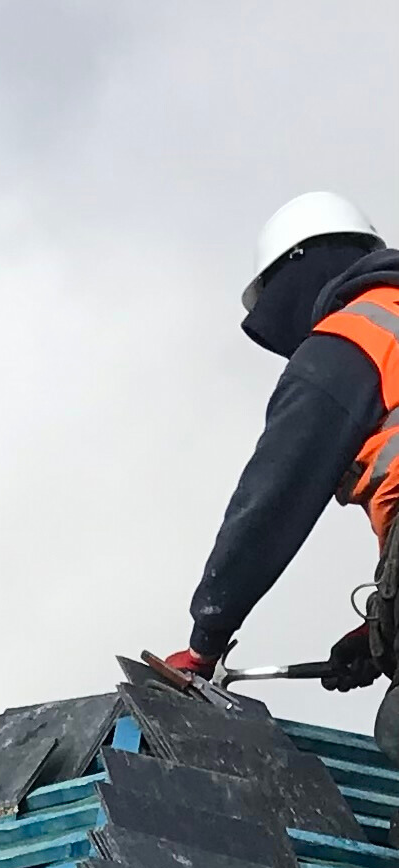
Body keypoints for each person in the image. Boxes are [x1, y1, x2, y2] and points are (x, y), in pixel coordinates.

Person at [160, 191, 399, 768]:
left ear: (299, 268)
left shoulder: (354, 336)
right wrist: (380, 634)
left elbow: (271, 501)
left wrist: (205, 641)